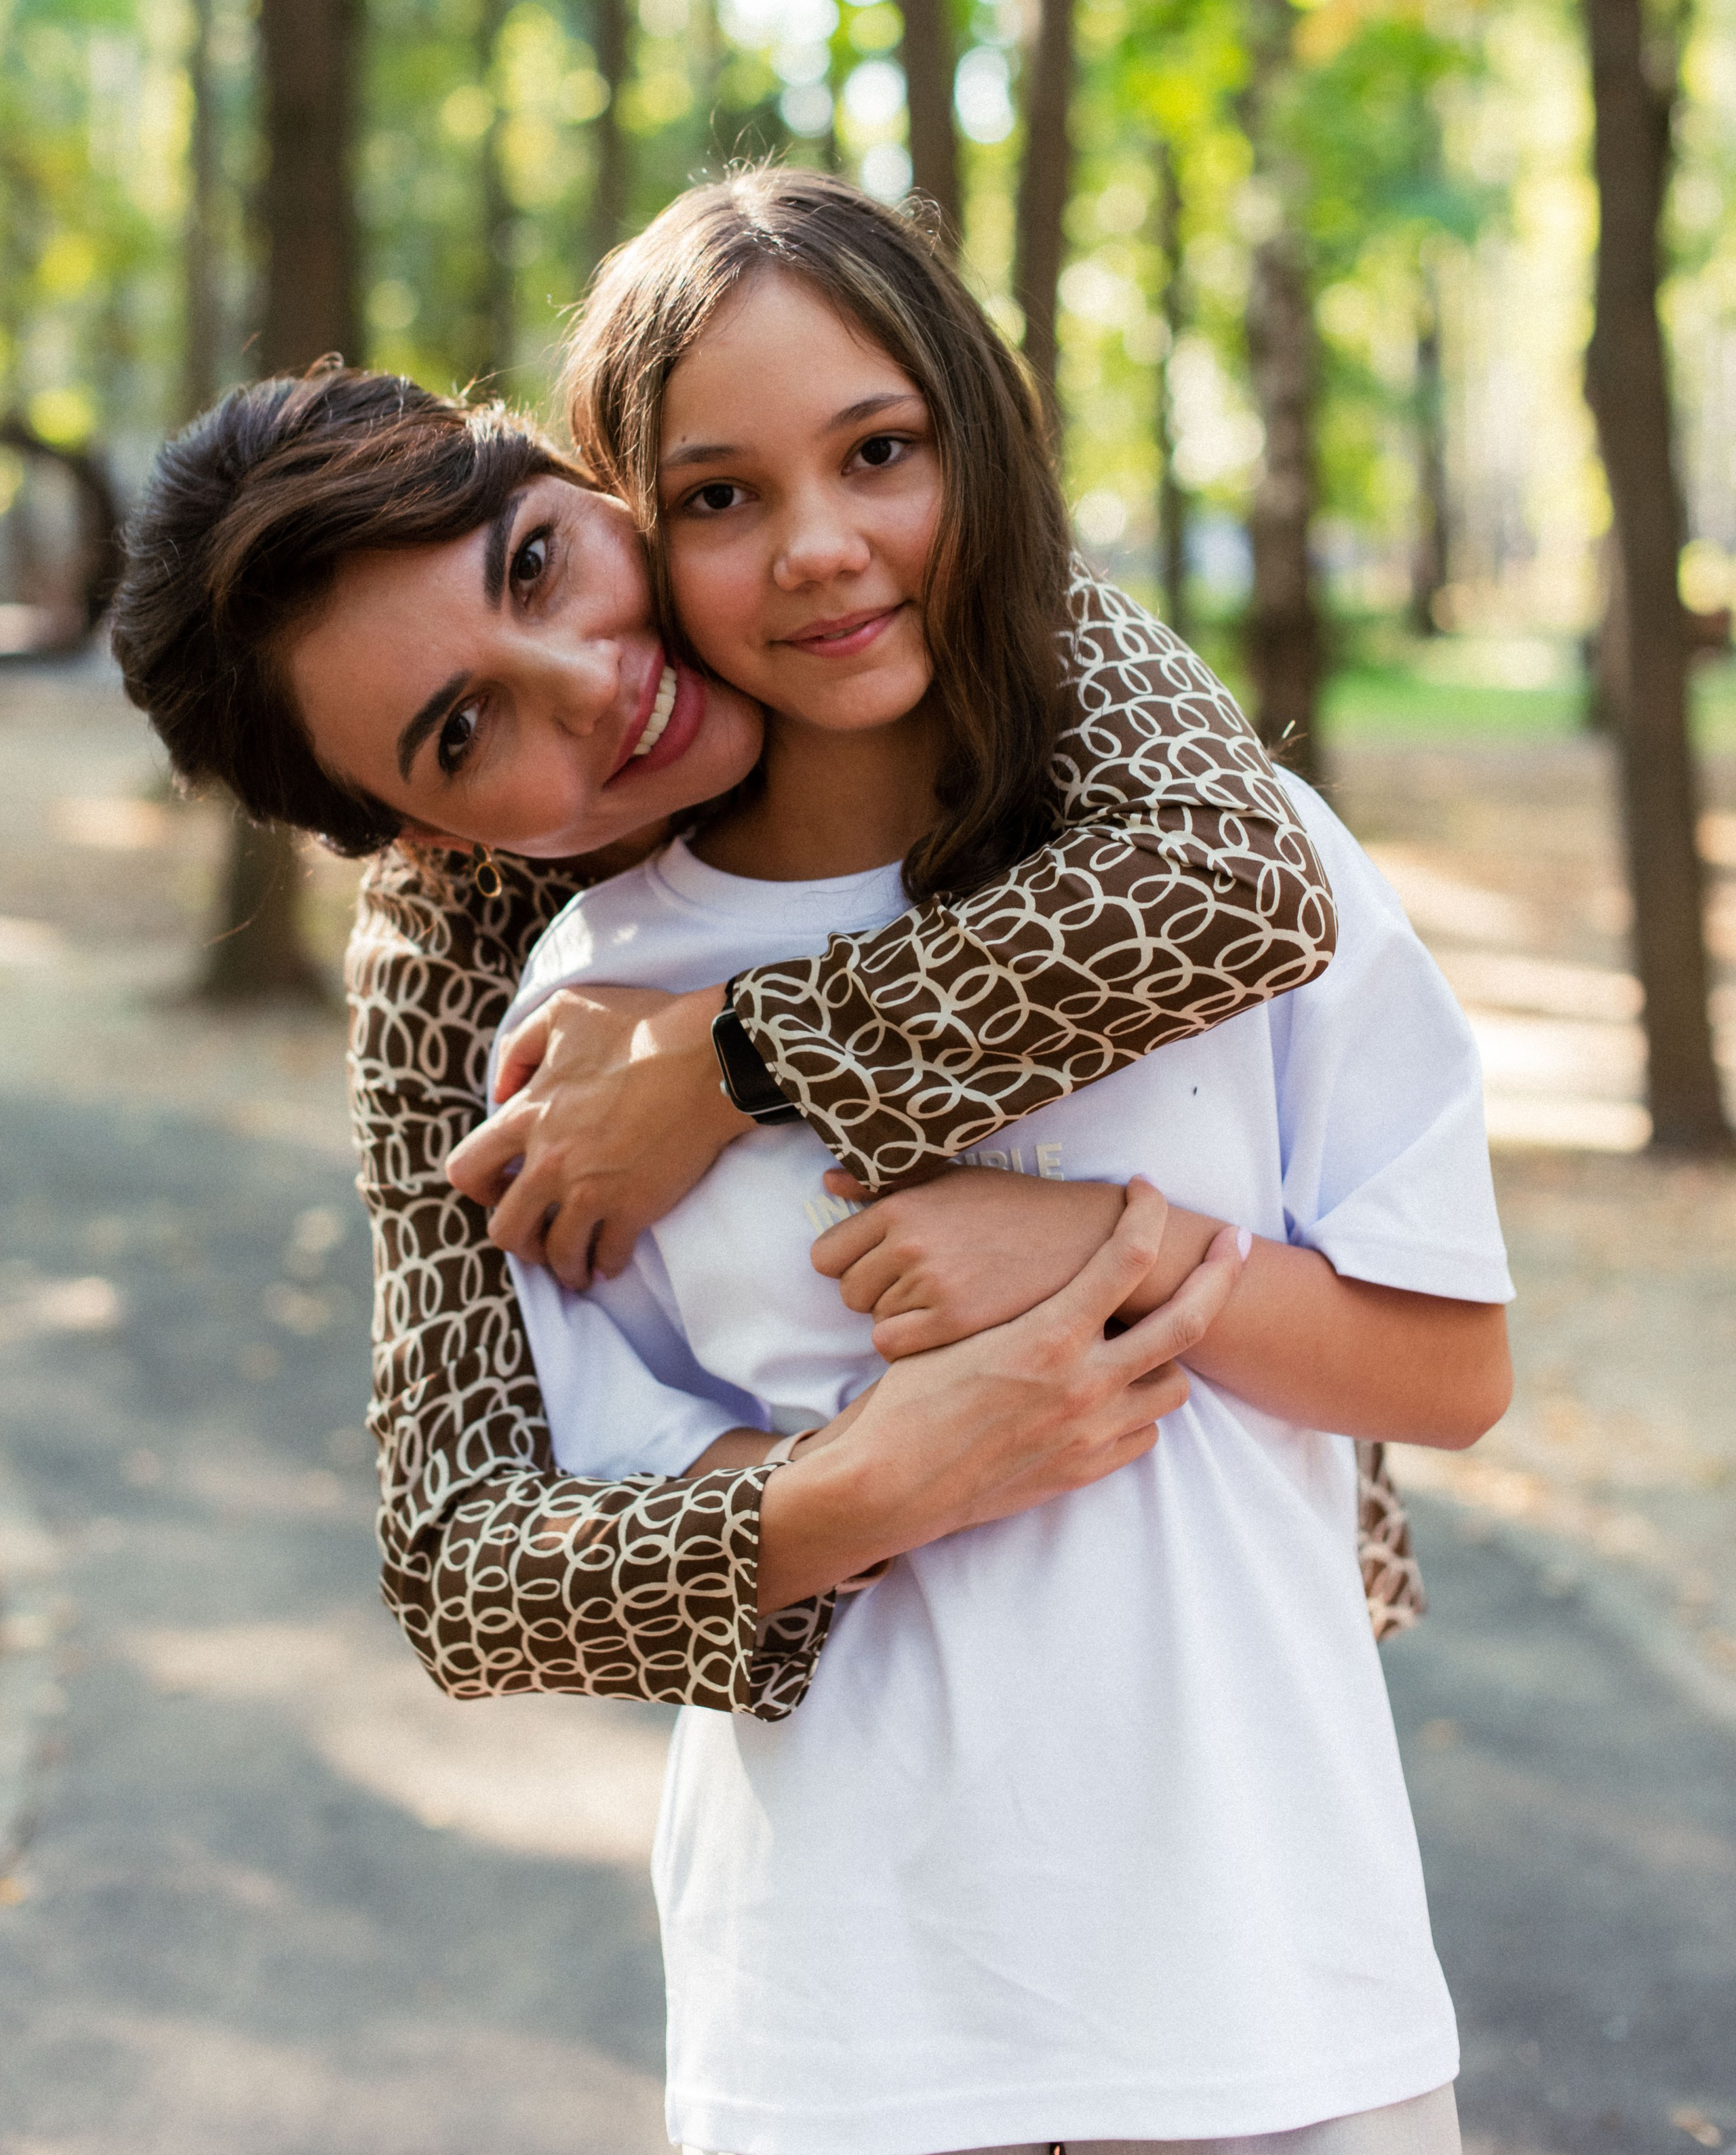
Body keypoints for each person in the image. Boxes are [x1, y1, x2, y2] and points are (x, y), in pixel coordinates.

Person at [456, 169, 1512, 2154]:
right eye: (718, 495)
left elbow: (1448, 1368)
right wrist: (895, 1458)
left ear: (976, 431)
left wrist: (1099, 1245)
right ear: (637, 539)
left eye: (880, 450)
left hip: (1274, 1985)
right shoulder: (598, 993)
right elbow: (602, 1510)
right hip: (844, 2016)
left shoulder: (1233, 866)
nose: (823, 548)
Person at [108, 295, 1389, 1715]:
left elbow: (1235, 880)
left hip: (1261, 1611)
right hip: (884, 1758)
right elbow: (459, 1568)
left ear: (575, 473)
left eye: (536, 562)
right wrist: (863, 1485)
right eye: (462, 733)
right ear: (420, 835)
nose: (593, 683)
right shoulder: (453, 963)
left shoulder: (875, 583)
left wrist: (726, 1058)